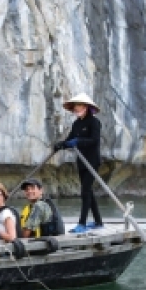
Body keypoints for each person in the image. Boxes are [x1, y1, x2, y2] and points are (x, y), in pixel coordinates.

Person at [54, 92, 104, 233]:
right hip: (81, 161)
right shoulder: (76, 124)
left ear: (86, 107)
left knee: (85, 191)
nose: (76, 109)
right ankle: (98, 221)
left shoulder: (94, 122)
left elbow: (94, 140)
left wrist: (79, 141)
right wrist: (61, 144)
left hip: (92, 161)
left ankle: (82, 223)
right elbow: (70, 140)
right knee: (88, 191)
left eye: (79, 106)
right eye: (75, 107)